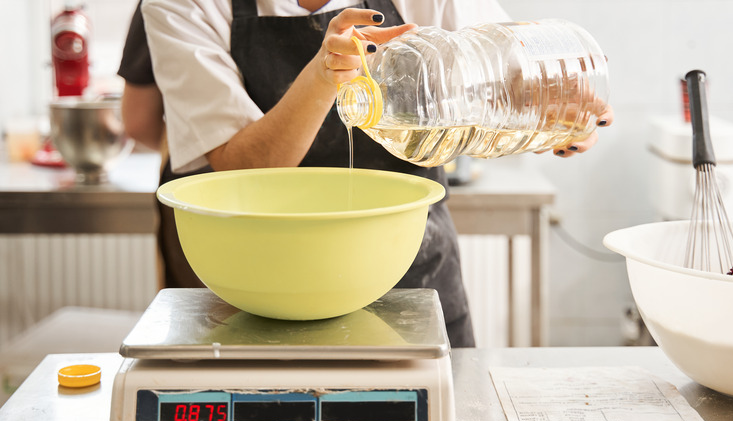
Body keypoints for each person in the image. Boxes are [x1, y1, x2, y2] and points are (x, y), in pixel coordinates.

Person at [119, 0, 614, 348]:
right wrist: (322, 76)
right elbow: (243, 169)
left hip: (410, 274)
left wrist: (561, 107)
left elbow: (513, 68)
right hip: (256, 290)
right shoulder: (180, 4)